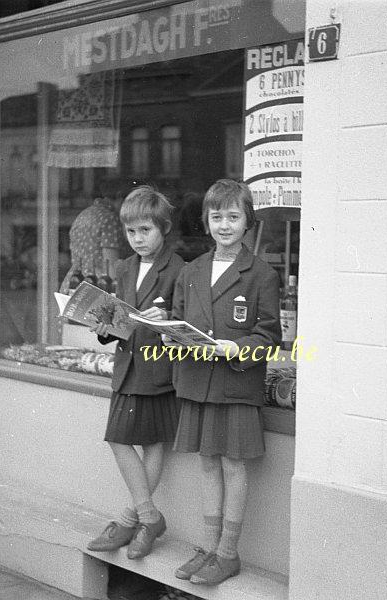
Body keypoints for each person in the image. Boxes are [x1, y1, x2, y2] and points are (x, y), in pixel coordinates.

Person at [169, 179, 281, 585]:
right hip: (198, 382)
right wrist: (170, 334)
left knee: (233, 465)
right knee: (207, 464)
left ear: (248, 221)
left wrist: (235, 350)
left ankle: (228, 553)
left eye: (234, 217)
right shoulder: (191, 270)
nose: (225, 225)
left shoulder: (261, 274)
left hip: (235, 385)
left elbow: (269, 336)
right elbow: (179, 320)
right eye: (217, 217)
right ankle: (210, 546)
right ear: (206, 222)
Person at [87, 186, 184, 559]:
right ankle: (147, 517)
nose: (138, 239)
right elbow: (116, 320)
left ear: (164, 228)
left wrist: (170, 319)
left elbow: (187, 322)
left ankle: (134, 519)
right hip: (128, 366)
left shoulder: (179, 269)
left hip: (159, 368)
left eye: (146, 230)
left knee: (152, 441)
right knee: (120, 438)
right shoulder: (124, 267)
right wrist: (100, 322)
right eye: (132, 232)